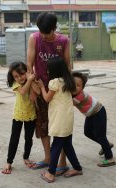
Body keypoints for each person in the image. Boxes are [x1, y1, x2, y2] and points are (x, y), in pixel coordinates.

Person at [27, 12, 70, 174]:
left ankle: (62, 160)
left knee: (61, 126)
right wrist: (32, 88)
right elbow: (29, 64)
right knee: (43, 125)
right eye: (41, 32)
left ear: (54, 28)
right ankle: (48, 157)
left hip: (58, 91)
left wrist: (69, 90)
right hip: (40, 88)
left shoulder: (64, 41)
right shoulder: (34, 38)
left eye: (47, 33)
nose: (43, 36)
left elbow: (67, 66)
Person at [38, 57, 82, 183]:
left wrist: (42, 87)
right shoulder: (67, 81)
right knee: (67, 145)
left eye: (48, 70)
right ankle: (77, 168)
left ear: (53, 70)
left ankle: (51, 173)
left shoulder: (54, 82)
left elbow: (46, 98)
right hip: (67, 118)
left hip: (59, 119)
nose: (47, 72)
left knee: (56, 146)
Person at [1, 62, 41, 174]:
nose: (19, 78)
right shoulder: (15, 84)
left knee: (28, 138)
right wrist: (29, 80)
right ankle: (9, 162)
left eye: (22, 74)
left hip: (31, 115)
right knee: (14, 139)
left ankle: (26, 157)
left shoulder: (31, 81)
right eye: (16, 76)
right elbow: (23, 92)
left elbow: (37, 93)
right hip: (18, 115)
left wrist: (31, 80)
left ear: (26, 72)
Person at [72, 72, 116, 167]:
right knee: (87, 132)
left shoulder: (80, 95)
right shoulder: (72, 93)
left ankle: (110, 158)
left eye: (78, 85)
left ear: (82, 88)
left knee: (101, 135)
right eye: (72, 84)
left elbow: (68, 102)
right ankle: (107, 145)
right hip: (91, 114)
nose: (75, 87)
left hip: (98, 112)